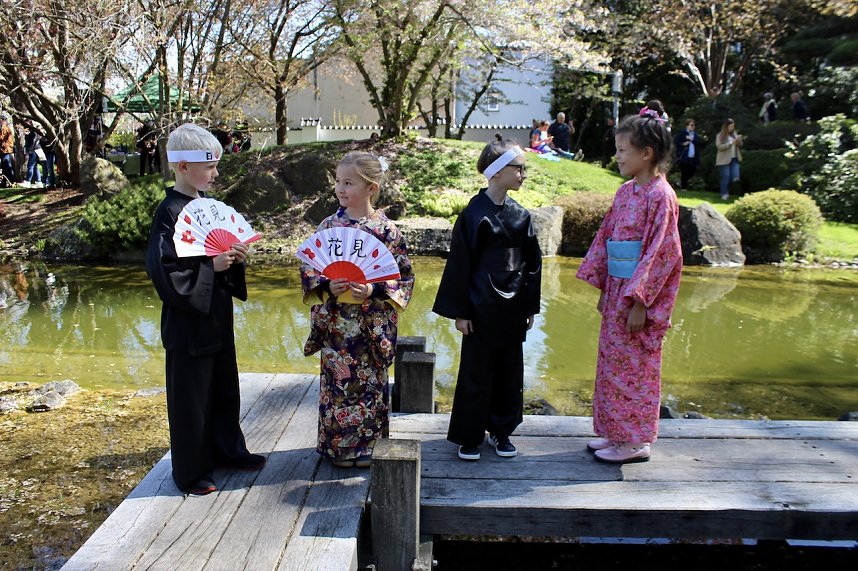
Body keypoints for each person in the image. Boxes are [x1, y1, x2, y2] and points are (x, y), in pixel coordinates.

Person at [146, 122, 264, 496]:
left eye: (216, 166)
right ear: (183, 166)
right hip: (186, 319)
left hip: (215, 313)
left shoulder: (206, 209)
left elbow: (220, 252)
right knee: (190, 398)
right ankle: (191, 471)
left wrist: (235, 258)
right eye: (209, 166)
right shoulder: (169, 213)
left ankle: (228, 449)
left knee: (224, 387)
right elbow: (164, 272)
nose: (215, 174)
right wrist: (210, 267)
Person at [576, 108, 682, 464]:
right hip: (619, 288)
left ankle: (635, 441)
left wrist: (641, 302)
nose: (617, 156)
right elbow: (608, 239)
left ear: (646, 153)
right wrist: (606, 288)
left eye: (623, 150)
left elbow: (663, 252)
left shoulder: (660, 195)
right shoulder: (626, 192)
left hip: (639, 296)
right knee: (612, 365)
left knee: (635, 369)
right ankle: (616, 433)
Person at [300, 151, 414, 468]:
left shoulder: (387, 232)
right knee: (338, 385)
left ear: (371, 188)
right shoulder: (327, 226)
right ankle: (339, 449)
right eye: (338, 181)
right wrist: (325, 285)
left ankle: (369, 446)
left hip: (369, 326)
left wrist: (373, 289)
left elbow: (404, 279)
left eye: (348, 182)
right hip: (337, 324)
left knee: (371, 385)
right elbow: (310, 268)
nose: (340, 188)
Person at [433, 135, 542, 461]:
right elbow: (459, 265)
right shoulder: (473, 214)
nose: (523, 175)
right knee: (476, 371)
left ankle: (501, 431)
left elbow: (533, 263)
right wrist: (461, 311)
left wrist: (529, 306)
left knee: (510, 370)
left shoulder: (521, 215)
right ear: (496, 172)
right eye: (517, 168)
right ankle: (470, 435)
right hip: (480, 304)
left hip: (512, 304)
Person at [715, 118, 743, 200]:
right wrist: (730, 143)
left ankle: (728, 191)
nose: (732, 128)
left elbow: (739, 145)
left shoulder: (734, 134)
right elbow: (719, 147)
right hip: (724, 160)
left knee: (735, 177)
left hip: (734, 158)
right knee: (725, 177)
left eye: (733, 126)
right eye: (730, 126)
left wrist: (739, 141)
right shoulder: (720, 135)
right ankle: (723, 193)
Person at [674, 118, 702, 189]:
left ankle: (683, 182)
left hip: (693, 156)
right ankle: (684, 187)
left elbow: (698, 142)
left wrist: (692, 139)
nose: (693, 127)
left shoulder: (695, 134)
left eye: (694, 125)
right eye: (691, 125)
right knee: (684, 171)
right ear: (687, 125)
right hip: (684, 156)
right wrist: (683, 143)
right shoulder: (683, 133)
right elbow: (677, 142)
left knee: (693, 169)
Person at [0, 113, 14, 188]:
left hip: (6, 150)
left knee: (7, 166)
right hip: (3, 150)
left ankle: (11, 182)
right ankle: (4, 183)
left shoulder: (5, 128)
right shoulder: (3, 128)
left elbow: (2, 138)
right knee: (4, 167)